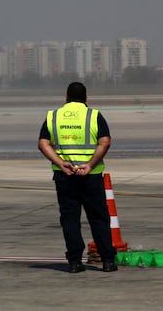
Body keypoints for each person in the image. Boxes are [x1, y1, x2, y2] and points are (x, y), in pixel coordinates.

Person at [37, 81, 116, 273]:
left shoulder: (53, 116)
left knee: (70, 219)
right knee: (98, 218)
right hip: (91, 176)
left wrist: (60, 162)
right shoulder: (94, 115)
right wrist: (89, 165)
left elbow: (43, 144)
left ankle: (74, 262)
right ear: (86, 97)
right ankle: (107, 261)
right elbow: (105, 142)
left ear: (66, 97)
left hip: (65, 176)